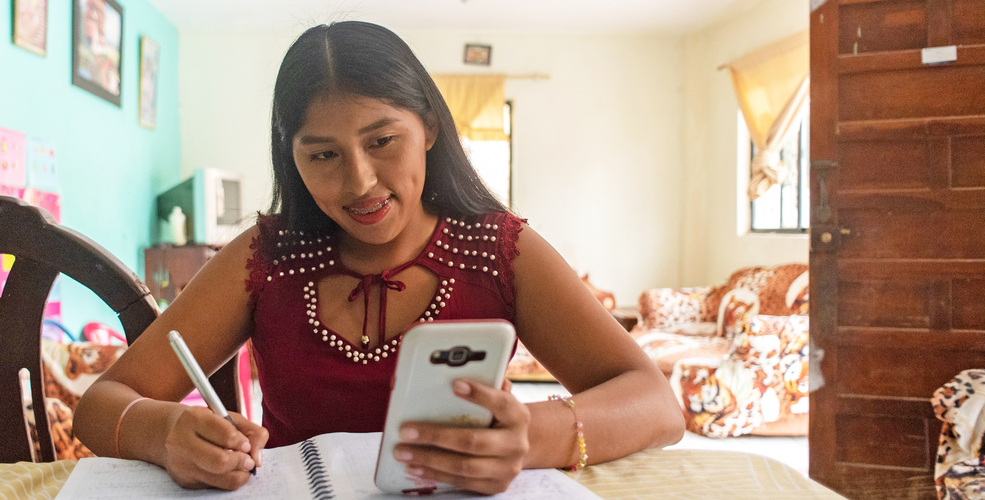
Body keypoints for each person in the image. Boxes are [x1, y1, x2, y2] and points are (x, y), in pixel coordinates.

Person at [75, 20, 683, 495]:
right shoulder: (267, 257)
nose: (360, 182)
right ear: (292, 159)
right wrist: (167, 434)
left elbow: (656, 405)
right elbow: (102, 404)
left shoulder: (498, 251)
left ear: (430, 128)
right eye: (323, 156)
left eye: (382, 141)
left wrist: (532, 436)